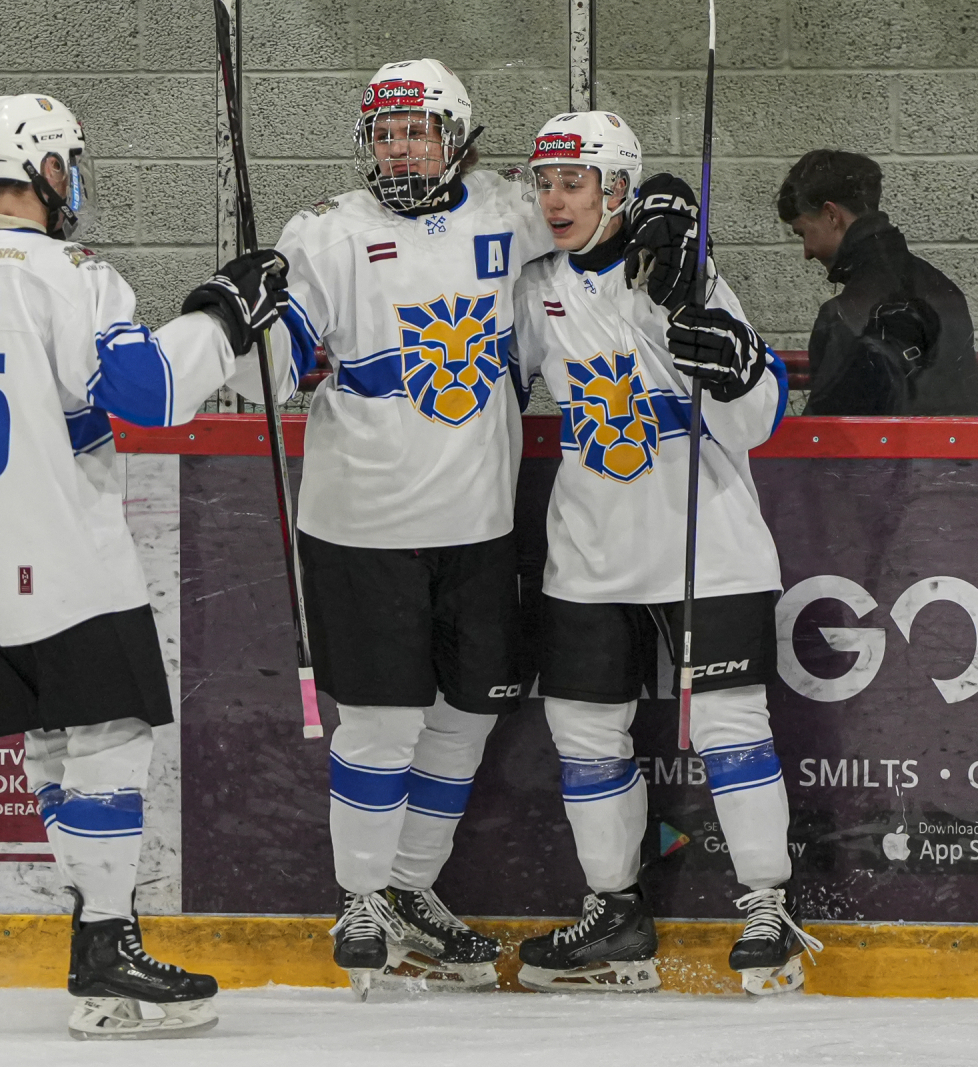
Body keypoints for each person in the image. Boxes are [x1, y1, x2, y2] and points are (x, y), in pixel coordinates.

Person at [0, 93, 289, 1039]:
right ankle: (109, 942)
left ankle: (94, 934)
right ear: (46, 169)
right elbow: (149, 392)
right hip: (65, 550)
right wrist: (222, 316)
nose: (74, 179)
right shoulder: (71, 272)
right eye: (69, 163)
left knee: (52, 745)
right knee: (114, 735)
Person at [257, 58, 555, 996]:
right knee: (382, 725)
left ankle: (408, 888)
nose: (398, 149)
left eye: (416, 131)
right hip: (363, 526)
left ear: (457, 136)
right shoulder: (326, 232)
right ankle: (359, 897)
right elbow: (277, 362)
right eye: (384, 134)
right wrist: (250, 328)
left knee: (465, 716)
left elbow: (594, 208)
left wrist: (663, 210)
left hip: (479, 522)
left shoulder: (509, 209)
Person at [511, 111, 820, 996]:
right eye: (546, 182)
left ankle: (767, 905)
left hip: (706, 539)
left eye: (575, 183)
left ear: (618, 189)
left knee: (731, 726)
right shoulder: (535, 288)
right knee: (583, 734)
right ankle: (616, 915)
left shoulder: (685, 273)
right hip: (588, 548)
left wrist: (738, 365)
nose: (555, 199)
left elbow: (756, 419)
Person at [777, 149, 978, 415]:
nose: (807, 252)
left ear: (831, 215)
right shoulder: (946, 290)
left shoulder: (842, 315)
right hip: (957, 443)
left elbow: (828, 433)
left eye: (803, 233)